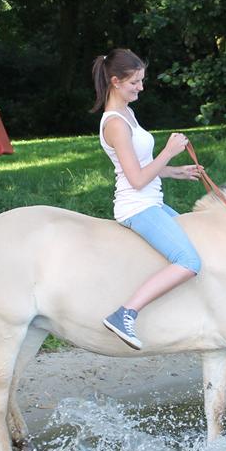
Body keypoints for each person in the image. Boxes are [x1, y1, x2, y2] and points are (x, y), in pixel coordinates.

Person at [93, 49, 203, 350]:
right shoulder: (115, 122)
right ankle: (124, 313)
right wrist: (168, 151)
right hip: (137, 207)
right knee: (189, 260)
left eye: (142, 81)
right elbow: (136, 179)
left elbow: (141, 167)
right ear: (115, 81)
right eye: (135, 82)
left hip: (151, 201)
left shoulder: (128, 112)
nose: (140, 87)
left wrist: (175, 171)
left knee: (197, 244)